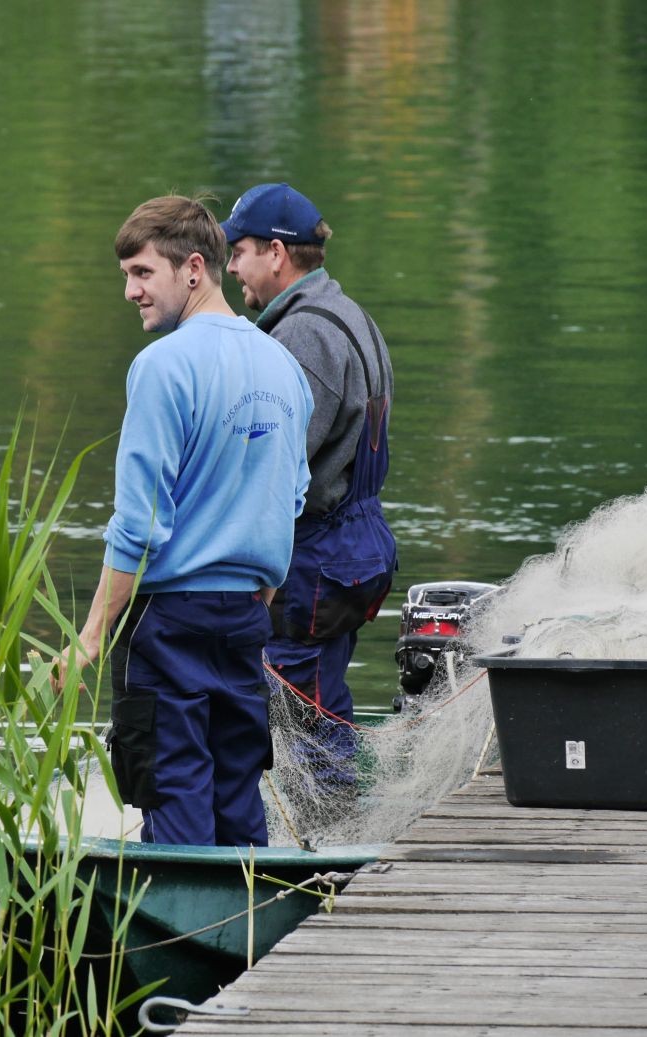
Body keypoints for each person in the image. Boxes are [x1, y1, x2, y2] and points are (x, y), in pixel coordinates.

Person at [60, 194, 313, 847]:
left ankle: (176, 935)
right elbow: (291, 497)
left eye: (142, 273)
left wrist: (90, 636)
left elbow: (139, 525)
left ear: (194, 267)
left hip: (167, 621)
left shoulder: (161, 367)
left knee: (172, 794)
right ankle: (249, 939)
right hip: (244, 618)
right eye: (126, 274)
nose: (129, 291)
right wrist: (257, 590)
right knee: (237, 799)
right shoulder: (283, 367)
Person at [221, 182, 398, 784]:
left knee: (304, 715)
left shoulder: (302, 336)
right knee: (320, 694)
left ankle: (327, 847)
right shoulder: (348, 314)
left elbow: (278, 467)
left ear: (277, 252)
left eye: (238, 250)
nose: (231, 267)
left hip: (317, 558)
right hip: (353, 547)